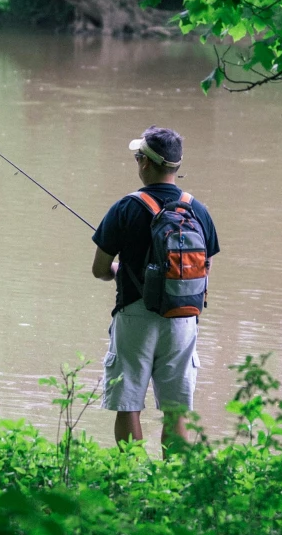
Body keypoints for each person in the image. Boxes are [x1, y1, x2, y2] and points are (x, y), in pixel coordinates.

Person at [89, 124, 221, 450]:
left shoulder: (125, 208)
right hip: (182, 319)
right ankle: (173, 483)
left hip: (135, 315)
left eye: (137, 157)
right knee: (176, 409)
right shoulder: (197, 209)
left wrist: (120, 269)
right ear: (176, 166)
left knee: (128, 403)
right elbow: (205, 269)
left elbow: (99, 269)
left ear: (145, 163)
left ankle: (131, 478)